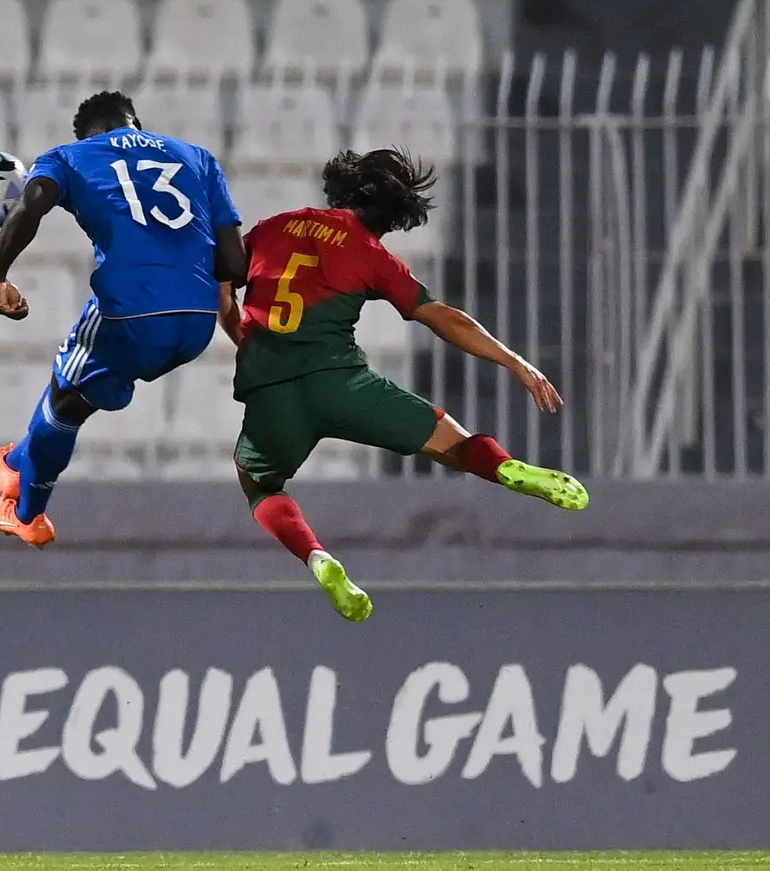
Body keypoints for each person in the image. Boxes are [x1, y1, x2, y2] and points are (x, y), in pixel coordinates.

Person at [223, 148, 590, 622]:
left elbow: (223, 279)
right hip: (343, 386)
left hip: (270, 392)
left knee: (259, 484)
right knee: (451, 441)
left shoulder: (275, 226)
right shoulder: (371, 254)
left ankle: (319, 558)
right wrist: (514, 360)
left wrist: (243, 336)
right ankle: (507, 469)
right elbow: (443, 318)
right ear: (396, 213)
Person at [0, 90, 248, 546]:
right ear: (134, 122)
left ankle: (27, 511)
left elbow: (33, 199)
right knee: (79, 396)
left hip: (133, 311)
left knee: (62, 397)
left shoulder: (71, 156)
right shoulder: (198, 159)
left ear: (88, 134)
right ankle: (17, 463)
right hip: (197, 323)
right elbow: (235, 266)